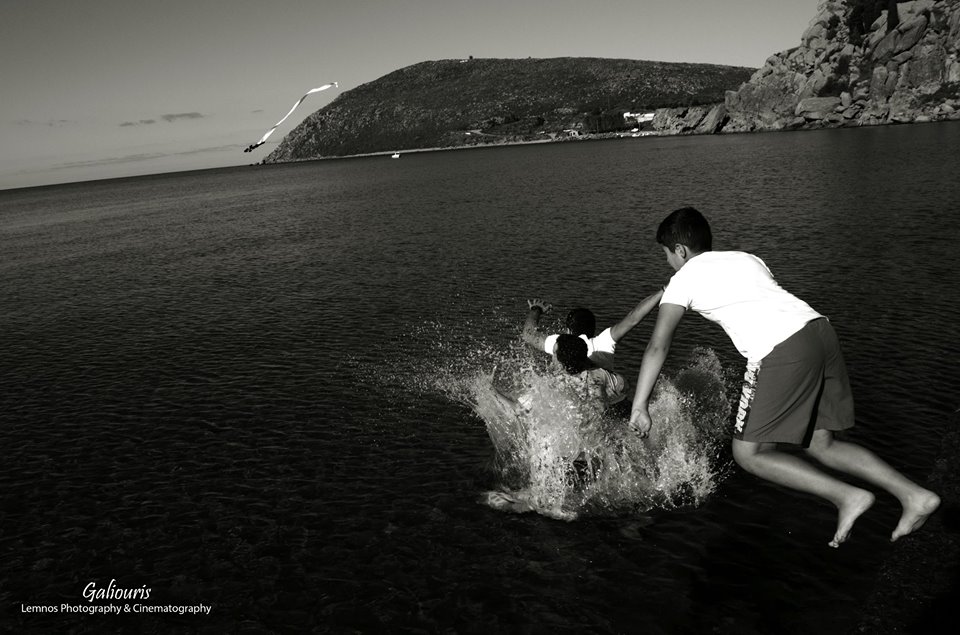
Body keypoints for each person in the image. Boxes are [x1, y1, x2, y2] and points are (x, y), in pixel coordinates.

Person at [628, 206, 940, 548]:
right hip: (820, 332)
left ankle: (847, 496)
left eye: (666, 254)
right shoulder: (748, 258)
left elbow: (658, 346)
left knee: (749, 453)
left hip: (781, 350)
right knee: (822, 444)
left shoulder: (682, 278)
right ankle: (913, 495)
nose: (667, 262)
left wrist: (640, 404)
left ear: (681, 251)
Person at [522, 289, 664, 371]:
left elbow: (528, 335)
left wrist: (536, 309)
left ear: (567, 330)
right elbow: (633, 318)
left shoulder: (559, 343)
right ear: (594, 329)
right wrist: (662, 291)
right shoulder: (603, 343)